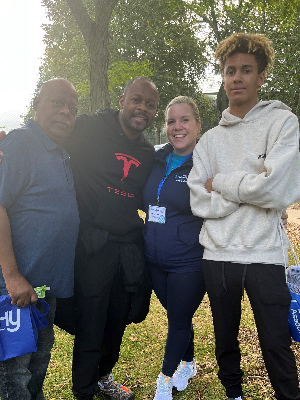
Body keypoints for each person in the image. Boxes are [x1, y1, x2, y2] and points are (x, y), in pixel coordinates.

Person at [188, 33, 300, 400]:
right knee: (225, 338)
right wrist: (251, 191)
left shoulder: (282, 124)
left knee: (276, 342)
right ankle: (233, 394)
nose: (237, 78)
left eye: (246, 70)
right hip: (217, 256)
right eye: (230, 70)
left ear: (262, 75)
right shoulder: (208, 141)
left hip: (265, 252)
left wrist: (220, 182)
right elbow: (198, 201)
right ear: (222, 75)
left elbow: (279, 190)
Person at [62, 76, 159, 400]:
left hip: (128, 247)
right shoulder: (91, 127)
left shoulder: (147, 153)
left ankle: (103, 376)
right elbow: (54, 136)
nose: (141, 108)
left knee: (118, 318)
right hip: (93, 245)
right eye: (136, 100)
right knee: (91, 322)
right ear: (122, 100)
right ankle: (84, 391)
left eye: (149, 104)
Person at [0, 78, 80, 400]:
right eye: (57, 103)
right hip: (15, 293)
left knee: (36, 373)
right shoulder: (20, 143)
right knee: (12, 380)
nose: (65, 112)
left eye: (72, 109)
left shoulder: (61, 153)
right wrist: (12, 276)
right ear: (36, 104)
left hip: (45, 294)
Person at [142, 96, 206, 399]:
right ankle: (189, 363)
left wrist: (275, 208)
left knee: (178, 320)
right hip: (154, 258)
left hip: (188, 261)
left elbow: (239, 185)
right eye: (171, 121)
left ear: (197, 125)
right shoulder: (157, 158)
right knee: (178, 316)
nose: (176, 127)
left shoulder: (207, 162)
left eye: (184, 120)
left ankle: (164, 381)